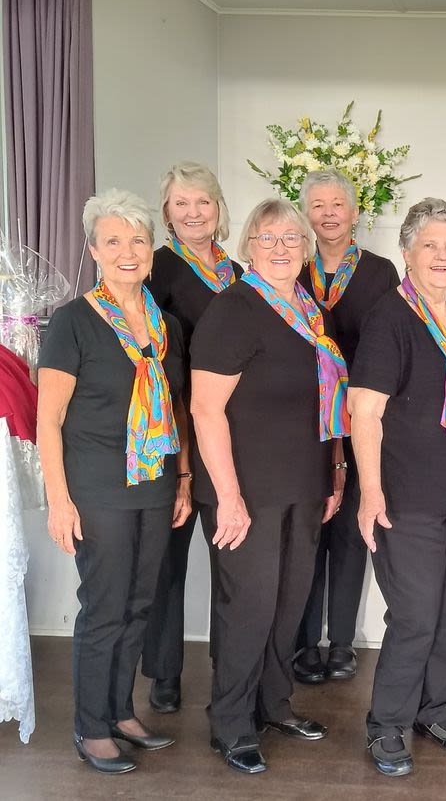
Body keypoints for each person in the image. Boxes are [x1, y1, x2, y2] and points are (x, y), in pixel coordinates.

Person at [190, 198, 346, 775]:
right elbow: (205, 409)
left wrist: (334, 471)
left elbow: (326, 400)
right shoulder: (233, 308)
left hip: (303, 484)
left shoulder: (310, 310)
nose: (280, 248)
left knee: (288, 604)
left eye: (290, 238)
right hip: (247, 491)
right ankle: (231, 722)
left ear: (306, 249)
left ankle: (274, 704)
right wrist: (228, 497)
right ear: (248, 247)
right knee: (249, 608)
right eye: (267, 238)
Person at [38, 189, 190, 773]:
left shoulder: (166, 325)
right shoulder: (72, 321)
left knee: (140, 604)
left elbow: (176, 409)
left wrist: (182, 478)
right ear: (94, 251)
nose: (128, 251)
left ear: (151, 249)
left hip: (154, 483)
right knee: (104, 607)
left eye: (138, 240)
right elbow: (49, 419)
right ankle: (91, 726)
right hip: (98, 487)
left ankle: (121, 712)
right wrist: (59, 500)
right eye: (114, 241)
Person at [350, 198, 446, 778]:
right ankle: (386, 723)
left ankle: (431, 709)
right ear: (406, 253)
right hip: (405, 495)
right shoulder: (389, 316)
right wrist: (371, 491)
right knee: (414, 614)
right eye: (429, 245)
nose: (441, 255)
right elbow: (365, 411)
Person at [293, 169, 400, 685]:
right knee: (308, 530)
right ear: (305, 214)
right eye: (318, 205)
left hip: (360, 421)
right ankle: (303, 640)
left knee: (352, 532)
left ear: (355, 213)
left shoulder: (380, 272)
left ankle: (340, 642)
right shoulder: (289, 268)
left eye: (338, 204)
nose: (329, 213)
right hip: (303, 424)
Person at [143, 161, 242, 714]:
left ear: (218, 207)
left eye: (203, 201)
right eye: (181, 203)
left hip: (229, 435)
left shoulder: (240, 271)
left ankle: (232, 668)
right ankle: (164, 673)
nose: (193, 212)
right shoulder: (153, 269)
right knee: (168, 560)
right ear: (167, 212)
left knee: (233, 558)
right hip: (174, 428)